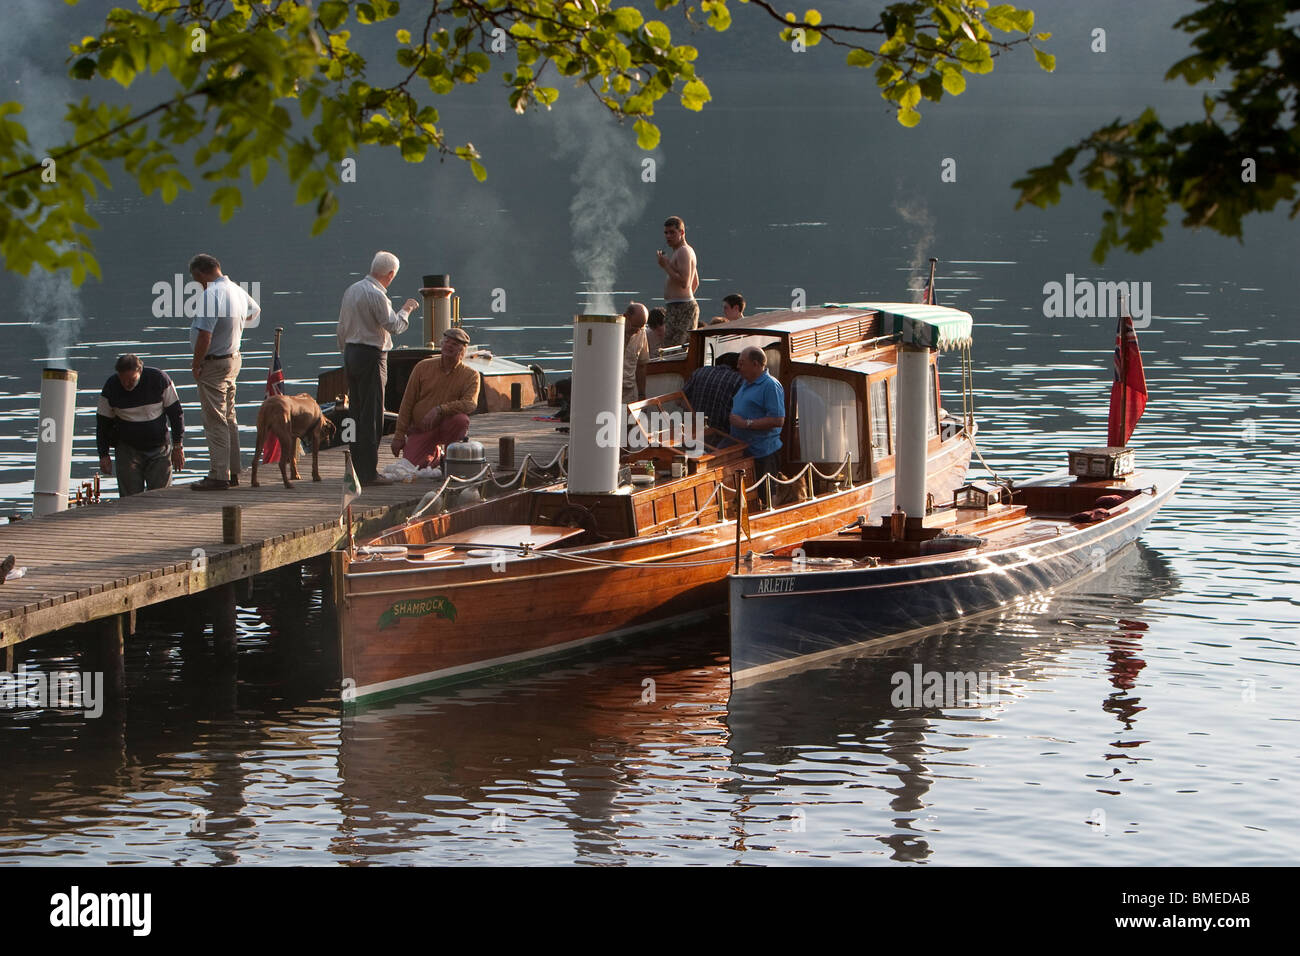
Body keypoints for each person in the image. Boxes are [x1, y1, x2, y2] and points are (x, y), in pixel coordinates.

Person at [337, 251, 421, 486]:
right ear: (391, 274)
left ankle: (354, 466)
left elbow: (341, 327)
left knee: (355, 412)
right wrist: (407, 309)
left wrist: (346, 352)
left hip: (351, 353)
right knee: (372, 415)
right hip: (372, 356)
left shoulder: (352, 290)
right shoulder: (376, 295)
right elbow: (394, 326)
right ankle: (369, 473)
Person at [188, 253, 259, 491]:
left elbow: (204, 335)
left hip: (214, 363)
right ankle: (234, 471)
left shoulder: (211, 294)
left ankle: (219, 475)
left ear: (200, 273)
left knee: (215, 419)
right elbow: (255, 311)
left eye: (197, 280)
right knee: (230, 418)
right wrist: (234, 325)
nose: (198, 284)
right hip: (233, 360)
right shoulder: (236, 290)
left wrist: (196, 364)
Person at [95, 354, 185, 496]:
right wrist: (103, 454)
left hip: (159, 448)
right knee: (129, 498)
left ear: (140, 372)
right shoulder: (111, 387)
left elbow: (176, 414)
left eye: (131, 380)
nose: (127, 384)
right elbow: (102, 424)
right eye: (123, 380)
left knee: (161, 495)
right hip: (127, 450)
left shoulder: (159, 379)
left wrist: (178, 445)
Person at [391, 327, 479, 470]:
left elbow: (470, 404)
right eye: (446, 341)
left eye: (455, 344)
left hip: (448, 426)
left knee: (461, 420)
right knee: (412, 466)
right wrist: (399, 435)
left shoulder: (471, 375)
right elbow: (407, 402)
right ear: (441, 344)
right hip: (422, 428)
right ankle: (437, 456)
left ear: (463, 351)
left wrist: (440, 410)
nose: (449, 346)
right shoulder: (422, 367)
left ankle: (450, 455)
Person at [729, 346, 786, 483]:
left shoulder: (770, 386)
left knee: (764, 495)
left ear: (755, 364)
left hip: (763, 454)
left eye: (742, 363)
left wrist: (745, 423)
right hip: (744, 451)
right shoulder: (745, 383)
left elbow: (778, 420)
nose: (738, 367)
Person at [656, 216, 699, 349]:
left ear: (682, 233)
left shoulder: (683, 251)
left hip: (682, 308)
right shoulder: (679, 252)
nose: (668, 236)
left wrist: (666, 266)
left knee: (676, 349)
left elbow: (685, 283)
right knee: (671, 348)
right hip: (677, 306)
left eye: (672, 232)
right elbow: (695, 282)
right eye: (666, 233)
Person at [683, 352, 742, 432]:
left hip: (691, 431)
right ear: (738, 366)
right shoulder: (738, 380)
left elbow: (679, 400)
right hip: (719, 434)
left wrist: (694, 413)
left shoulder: (700, 371)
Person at [622, 302, 649, 405]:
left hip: (629, 391)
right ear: (626, 317)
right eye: (635, 326)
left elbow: (641, 365)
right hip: (608, 389)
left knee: (627, 421)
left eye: (641, 327)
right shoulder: (612, 330)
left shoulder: (642, 332)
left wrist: (642, 394)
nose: (638, 331)